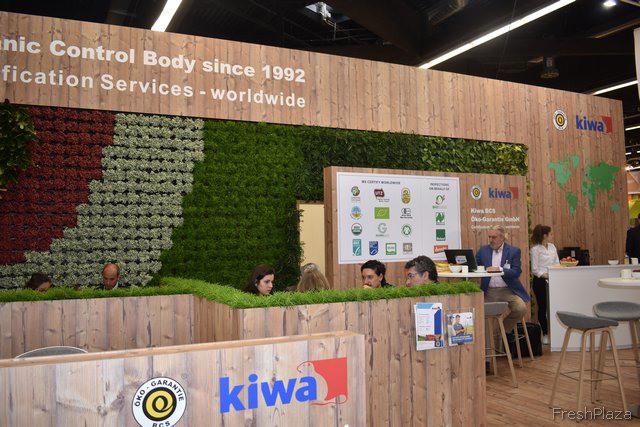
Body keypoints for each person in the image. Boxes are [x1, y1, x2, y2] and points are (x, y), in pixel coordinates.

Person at [476, 225, 530, 334]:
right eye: (489, 237)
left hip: (508, 291)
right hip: (488, 291)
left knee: (521, 309)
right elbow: (474, 265)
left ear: (502, 237)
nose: (491, 240)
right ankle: (488, 339)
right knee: (477, 311)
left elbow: (516, 272)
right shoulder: (483, 250)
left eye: (494, 237)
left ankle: (501, 331)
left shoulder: (513, 251)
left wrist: (500, 270)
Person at [530, 224, 559, 345]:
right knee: (543, 307)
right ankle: (546, 334)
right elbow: (535, 269)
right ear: (544, 235)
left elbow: (557, 263)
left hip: (554, 280)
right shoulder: (535, 250)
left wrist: (554, 273)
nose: (552, 236)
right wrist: (545, 275)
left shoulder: (552, 247)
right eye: (550, 234)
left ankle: (555, 333)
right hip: (540, 282)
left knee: (554, 306)